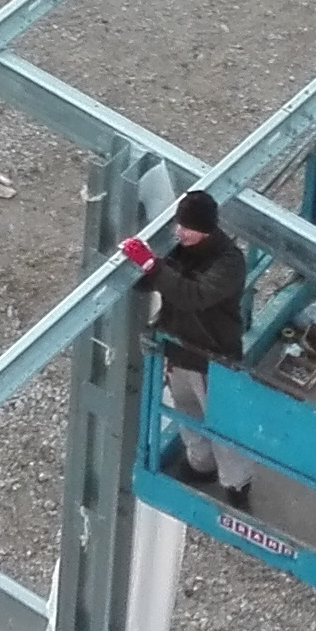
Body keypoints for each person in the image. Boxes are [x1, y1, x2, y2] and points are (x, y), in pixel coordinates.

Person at [117, 188, 253, 505]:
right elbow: (156, 281)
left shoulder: (230, 262)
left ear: (206, 229)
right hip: (180, 350)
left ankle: (237, 485)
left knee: (224, 427)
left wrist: (152, 267)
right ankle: (200, 465)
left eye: (187, 227)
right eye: (179, 225)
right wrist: (139, 268)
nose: (179, 232)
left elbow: (193, 295)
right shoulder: (183, 249)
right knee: (187, 413)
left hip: (213, 357)